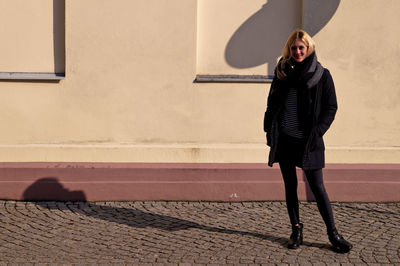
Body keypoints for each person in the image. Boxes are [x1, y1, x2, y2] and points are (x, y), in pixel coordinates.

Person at [263, 29, 352, 253]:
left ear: (309, 48)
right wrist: (268, 127)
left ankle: (333, 234)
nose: (297, 51)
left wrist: (319, 130)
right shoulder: (282, 73)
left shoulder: (322, 75)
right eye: (294, 48)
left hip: (309, 142)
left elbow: (331, 107)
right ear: (289, 50)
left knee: (318, 187)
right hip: (284, 140)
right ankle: (296, 230)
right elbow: (271, 102)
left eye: (301, 47)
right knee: (290, 186)